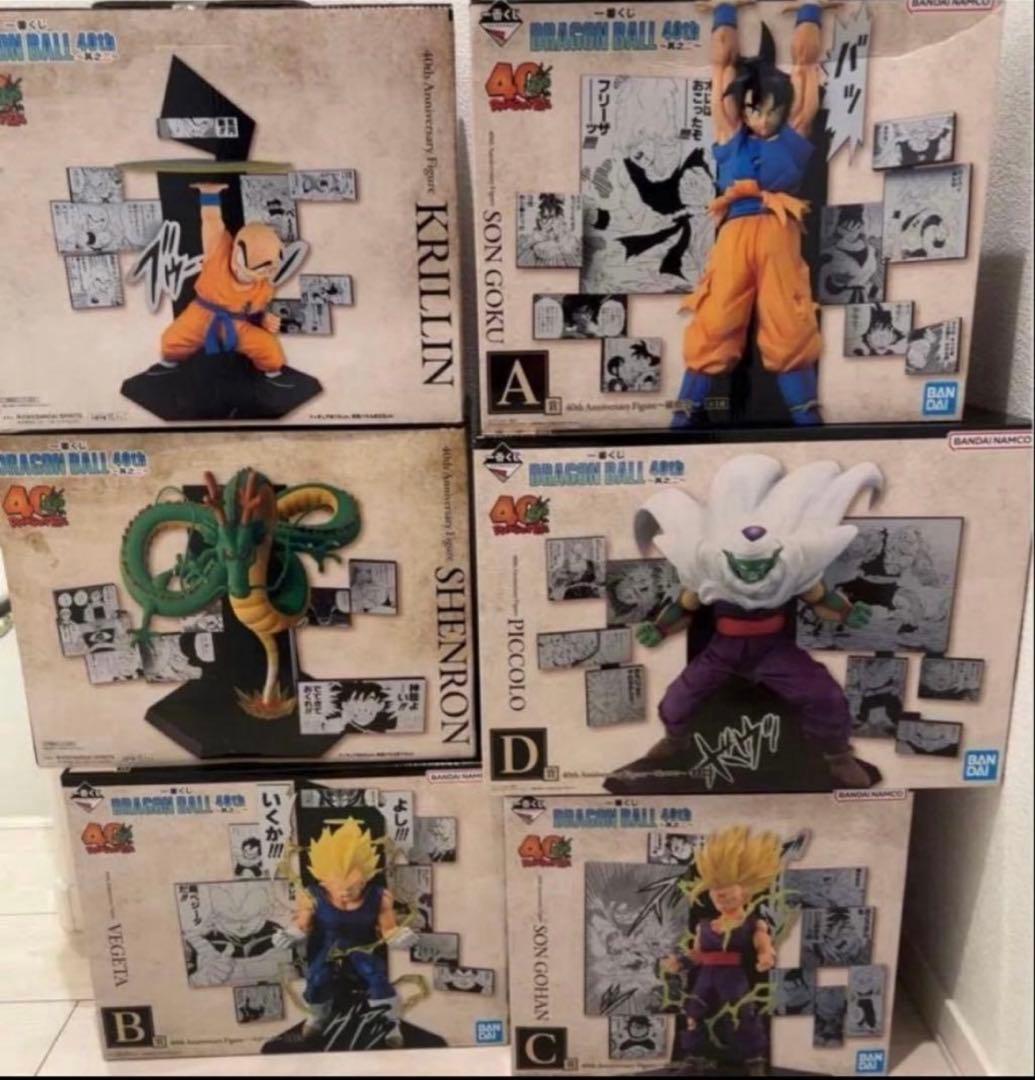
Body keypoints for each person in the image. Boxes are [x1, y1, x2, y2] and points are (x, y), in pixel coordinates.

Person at [674, 1, 834, 427]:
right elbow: (721, 68)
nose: (762, 120)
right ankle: (682, 417)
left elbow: (806, 68)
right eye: (753, 110)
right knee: (715, 319)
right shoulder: (732, 138)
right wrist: (724, 12)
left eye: (771, 110)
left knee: (789, 323)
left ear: (783, 109)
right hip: (736, 233)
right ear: (743, 109)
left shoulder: (794, 136)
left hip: (779, 232)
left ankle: (808, 421)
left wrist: (810, 12)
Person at [661, 826, 780, 1074]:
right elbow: (696, 953)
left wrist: (766, 955)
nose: (721, 897)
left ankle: (753, 1057)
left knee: (742, 1015)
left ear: (745, 893)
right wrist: (680, 962)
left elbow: (762, 942)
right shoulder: (705, 925)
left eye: (728, 893)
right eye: (716, 893)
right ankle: (696, 1055)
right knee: (695, 1015)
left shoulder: (752, 922)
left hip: (733, 977)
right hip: (705, 977)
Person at [152, 183, 287, 375]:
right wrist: (209, 194)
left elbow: (254, 313)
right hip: (200, 315)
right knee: (170, 340)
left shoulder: (263, 286)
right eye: (252, 268)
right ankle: (168, 366)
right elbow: (211, 221)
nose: (249, 275)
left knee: (270, 350)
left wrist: (264, 320)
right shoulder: (219, 252)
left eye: (265, 270)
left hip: (236, 324)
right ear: (236, 252)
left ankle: (273, 374)